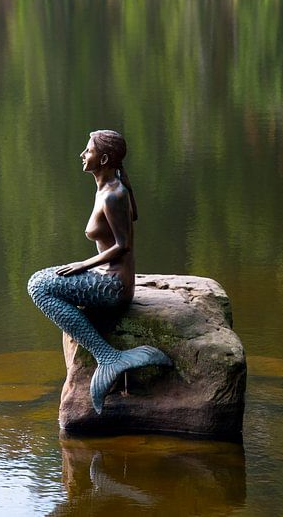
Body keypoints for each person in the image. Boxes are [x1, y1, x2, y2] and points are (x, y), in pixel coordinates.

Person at [27, 130, 172, 414]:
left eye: (88, 150)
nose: (82, 155)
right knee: (42, 280)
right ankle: (106, 356)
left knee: (39, 286)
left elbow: (123, 246)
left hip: (113, 286)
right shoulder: (110, 188)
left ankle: (107, 356)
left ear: (104, 158)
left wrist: (84, 265)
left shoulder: (113, 195)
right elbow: (130, 221)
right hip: (108, 278)